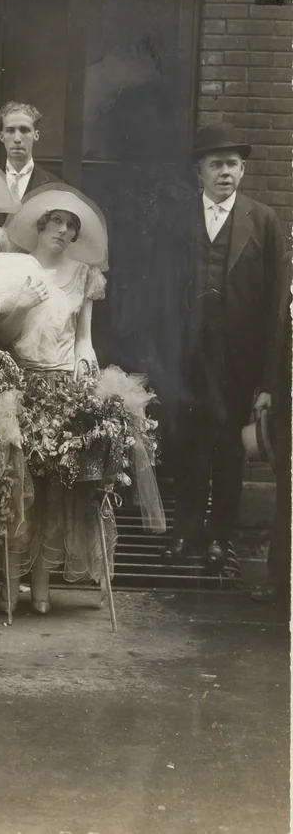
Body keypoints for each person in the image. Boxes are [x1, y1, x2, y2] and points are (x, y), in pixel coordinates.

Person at [166, 124, 283, 572]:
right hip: (187, 359)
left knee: (229, 448)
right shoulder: (178, 219)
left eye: (232, 164)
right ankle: (185, 530)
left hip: (238, 362)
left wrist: (267, 380)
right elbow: (160, 293)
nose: (225, 173)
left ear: (243, 170)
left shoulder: (263, 221)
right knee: (186, 444)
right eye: (216, 165)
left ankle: (219, 536)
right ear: (199, 172)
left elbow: (277, 307)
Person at [0, 185, 110, 611]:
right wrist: (23, 304)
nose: (62, 230)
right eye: (56, 222)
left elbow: (84, 337)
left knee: (53, 492)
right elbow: (3, 336)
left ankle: (42, 584)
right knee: (17, 487)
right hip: (21, 385)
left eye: (70, 225)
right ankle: (11, 584)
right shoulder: (19, 268)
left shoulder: (83, 275)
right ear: (40, 226)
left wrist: (86, 358)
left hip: (62, 387)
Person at [253, 252, 291, 606]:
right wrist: (267, 387)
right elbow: (276, 333)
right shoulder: (287, 266)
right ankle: (280, 580)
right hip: (288, 398)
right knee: (287, 494)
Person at [0, 101, 58, 225]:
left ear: (35, 135)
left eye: (24, 130)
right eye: (10, 131)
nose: (17, 139)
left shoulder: (53, 187)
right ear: (2, 137)